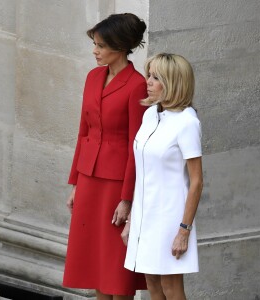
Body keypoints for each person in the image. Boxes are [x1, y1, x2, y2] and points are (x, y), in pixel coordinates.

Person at [63, 13, 148, 299]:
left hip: (116, 184)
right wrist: (75, 182)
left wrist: (127, 199)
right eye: (95, 44)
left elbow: (137, 147)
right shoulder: (93, 76)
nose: (94, 51)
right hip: (89, 179)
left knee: (116, 269)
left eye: (100, 46)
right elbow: (83, 131)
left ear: (121, 46)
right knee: (97, 264)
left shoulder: (137, 85)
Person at [123, 53, 203, 300]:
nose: (147, 81)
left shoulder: (187, 123)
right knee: (151, 283)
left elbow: (197, 181)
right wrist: (131, 219)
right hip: (145, 215)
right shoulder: (150, 115)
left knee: (170, 285)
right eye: (149, 74)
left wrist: (183, 231)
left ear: (172, 83)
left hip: (170, 218)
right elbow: (145, 170)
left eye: (156, 77)